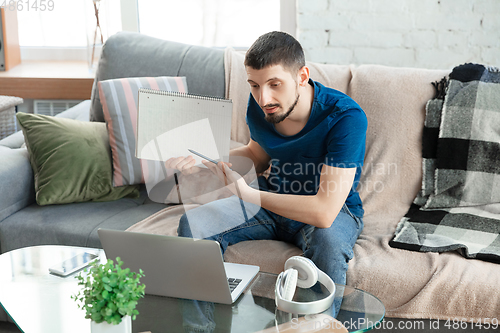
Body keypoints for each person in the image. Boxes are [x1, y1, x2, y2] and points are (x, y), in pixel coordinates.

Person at [170, 30, 367, 303]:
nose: (264, 99)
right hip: (272, 203)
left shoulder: (345, 117)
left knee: (329, 244)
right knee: (193, 224)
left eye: (275, 84)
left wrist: (247, 194)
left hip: (329, 210)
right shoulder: (263, 106)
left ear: (301, 76)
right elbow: (258, 154)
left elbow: (324, 212)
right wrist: (203, 163)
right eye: (254, 85)